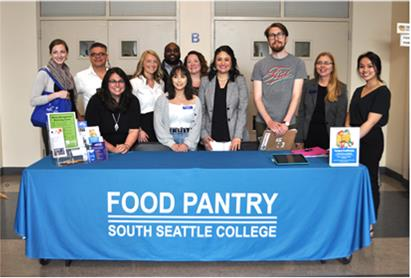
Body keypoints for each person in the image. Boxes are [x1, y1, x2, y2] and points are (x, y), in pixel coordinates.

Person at [345, 51, 391, 222]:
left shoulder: (383, 92)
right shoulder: (358, 90)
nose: (365, 70)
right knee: (353, 179)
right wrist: (347, 131)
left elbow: (371, 122)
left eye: (370, 66)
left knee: (369, 179)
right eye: (362, 67)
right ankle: (356, 218)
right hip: (352, 138)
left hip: (370, 140)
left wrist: (349, 140)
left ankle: (370, 221)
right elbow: (350, 114)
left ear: (377, 68)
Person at [251, 23, 307, 140]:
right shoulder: (259, 65)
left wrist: (285, 123)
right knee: (262, 157)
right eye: (272, 35)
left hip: (288, 123)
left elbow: (296, 95)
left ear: (286, 38)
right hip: (263, 122)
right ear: (268, 40)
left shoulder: (298, 63)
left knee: (287, 157)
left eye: (280, 34)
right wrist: (269, 122)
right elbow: (257, 97)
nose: (276, 38)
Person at [30, 38, 79, 155]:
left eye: (62, 52)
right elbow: (33, 100)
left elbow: (71, 98)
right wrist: (56, 94)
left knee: (71, 155)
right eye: (55, 52)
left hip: (69, 121)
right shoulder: (44, 73)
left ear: (67, 54)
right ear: (50, 54)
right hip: (53, 123)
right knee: (55, 156)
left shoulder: (67, 73)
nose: (59, 55)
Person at [199, 45, 249, 151]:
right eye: (219, 59)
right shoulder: (205, 81)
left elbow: (242, 110)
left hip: (234, 140)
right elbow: (201, 110)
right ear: (214, 62)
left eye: (226, 59)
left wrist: (237, 136)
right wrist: (203, 134)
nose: (222, 63)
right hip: (211, 140)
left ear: (232, 62)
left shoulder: (239, 80)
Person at [296, 52, 348, 149]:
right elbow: (301, 113)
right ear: (316, 66)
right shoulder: (308, 85)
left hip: (329, 136)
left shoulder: (341, 88)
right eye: (319, 63)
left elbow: (340, 117)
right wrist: (299, 138)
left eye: (326, 63)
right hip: (309, 134)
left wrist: (336, 141)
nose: (322, 66)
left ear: (332, 67)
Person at [85, 67, 140, 154]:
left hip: (127, 151)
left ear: (126, 83)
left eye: (121, 81)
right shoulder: (95, 101)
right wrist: (113, 149)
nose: (117, 85)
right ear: (106, 83)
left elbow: (134, 130)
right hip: (102, 151)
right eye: (113, 81)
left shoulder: (133, 101)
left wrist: (126, 146)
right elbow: (93, 131)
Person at [154, 65, 202, 152]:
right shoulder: (162, 99)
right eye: (175, 77)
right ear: (171, 79)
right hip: (167, 142)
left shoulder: (196, 100)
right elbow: (158, 125)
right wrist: (171, 144)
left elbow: (197, 126)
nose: (179, 80)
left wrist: (187, 144)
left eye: (183, 77)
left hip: (190, 142)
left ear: (187, 79)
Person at [130, 50, 164, 143]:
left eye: (155, 61)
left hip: (159, 124)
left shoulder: (161, 83)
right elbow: (130, 110)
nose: (152, 64)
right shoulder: (134, 83)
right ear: (142, 63)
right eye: (148, 61)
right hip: (143, 126)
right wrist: (138, 130)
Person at [74, 42, 109, 118]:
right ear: (90, 57)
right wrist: (78, 116)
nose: (97, 57)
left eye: (101, 54)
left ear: (107, 57)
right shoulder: (81, 76)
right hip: (92, 122)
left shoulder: (114, 75)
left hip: (115, 122)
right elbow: (70, 98)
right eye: (94, 54)